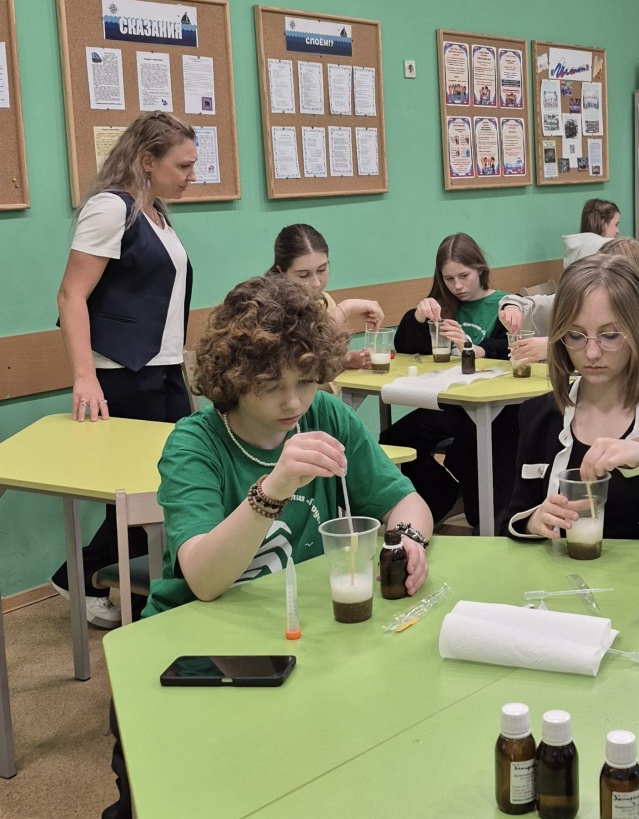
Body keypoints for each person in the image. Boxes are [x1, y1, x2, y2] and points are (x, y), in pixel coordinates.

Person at [102, 275, 432, 817]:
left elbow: (407, 502)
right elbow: (203, 579)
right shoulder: (194, 443)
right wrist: (273, 488)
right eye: (271, 384)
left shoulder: (325, 416)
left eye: (306, 380)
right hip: (189, 653)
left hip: (294, 647)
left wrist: (409, 540)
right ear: (234, 378)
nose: (293, 401)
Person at [52, 111, 198, 628]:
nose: (191, 176)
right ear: (146, 161)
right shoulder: (110, 208)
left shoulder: (156, 213)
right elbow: (71, 295)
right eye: (182, 166)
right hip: (120, 372)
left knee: (174, 484)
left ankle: (116, 582)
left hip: (164, 369)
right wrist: (84, 376)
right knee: (138, 493)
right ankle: (80, 577)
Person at [503, 253, 639, 543]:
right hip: (562, 571)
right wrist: (532, 522)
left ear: (638, 332)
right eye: (575, 336)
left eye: (610, 335)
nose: (592, 353)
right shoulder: (539, 414)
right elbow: (512, 519)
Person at [381, 233, 515, 530]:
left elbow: (512, 349)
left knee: (469, 447)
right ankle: (445, 492)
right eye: (449, 279)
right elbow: (405, 346)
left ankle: (477, 507)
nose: (458, 286)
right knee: (393, 439)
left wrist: (476, 349)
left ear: (480, 268)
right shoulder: (442, 307)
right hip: (450, 403)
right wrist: (417, 317)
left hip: (492, 408)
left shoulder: (505, 304)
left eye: (464, 276)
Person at [498, 237, 639, 371]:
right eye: (576, 334)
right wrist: (512, 307)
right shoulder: (582, 298)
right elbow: (528, 303)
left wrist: (554, 347)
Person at [267, 223, 384, 372]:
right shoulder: (269, 308)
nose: (316, 283)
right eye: (303, 275)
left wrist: (345, 361)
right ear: (281, 272)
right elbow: (298, 368)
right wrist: (346, 308)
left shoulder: (325, 301)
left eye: (322, 269)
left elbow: (319, 363)